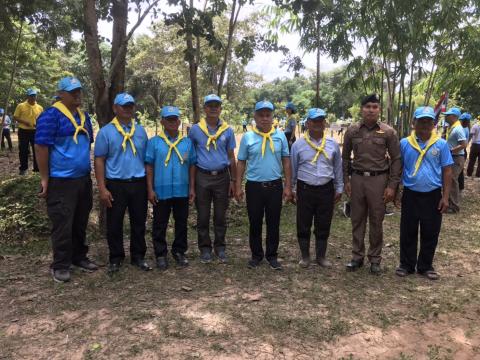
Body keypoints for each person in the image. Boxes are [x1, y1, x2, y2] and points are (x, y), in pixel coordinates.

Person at [35, 76, 97, 283]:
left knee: (80, 221)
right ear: (60, 94)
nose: (77, 94)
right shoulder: (50, 116)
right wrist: (45, 178)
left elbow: (87, 144)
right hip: (61, 181)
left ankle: (79, 256)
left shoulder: (84, 116)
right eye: (72, 92)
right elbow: (41, 147)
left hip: (82, 179)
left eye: (79, 91)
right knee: (62, 223)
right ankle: (61, 264)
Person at [342, 94, 401, 274]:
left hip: (379, 180)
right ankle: (357, 257)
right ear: (362, 109)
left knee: (377, 219)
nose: (371, 110)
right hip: (358, 179)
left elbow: (397, 159)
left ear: (379, 110)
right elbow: (345, 158)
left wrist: (392, 186)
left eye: (374, 107)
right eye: (367, 106)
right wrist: (346, 180)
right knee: (357, 219)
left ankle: (375, 259)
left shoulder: (388, 132)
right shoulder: (352, 131)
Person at [94, 93, 151, 273]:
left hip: (138, 183)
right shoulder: (106, 132)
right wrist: (102, 188)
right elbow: (99, 160)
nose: (128, 109)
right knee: (115, 223)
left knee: (139, 221)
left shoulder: (141, 131)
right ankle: (116, 258)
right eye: (124, 106)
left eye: (130, 106)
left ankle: (138, 256)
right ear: (115, 108)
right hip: (116, 184)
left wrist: (150, 186)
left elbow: (147, 160)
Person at [396, 106, 453, 280]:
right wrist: (396, 190)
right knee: (408, 230)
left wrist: (445, 196)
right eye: (421, 121)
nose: (425, 124)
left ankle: (425, 266)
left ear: (434, 123)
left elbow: (447, 171)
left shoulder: (441, 144)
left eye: (429, 121)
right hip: (411, 194)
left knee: (431, 231)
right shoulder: (405, 143)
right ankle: (406, 265)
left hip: (433, 195)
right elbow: (399, 168)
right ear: (414, 123)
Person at [236, 100, 292, 270]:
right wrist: (238, 185)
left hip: (275, 186)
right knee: (255, 222)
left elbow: (286, 161)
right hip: (254, 187)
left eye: (268, 115)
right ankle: (256, 255)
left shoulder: (280, 136)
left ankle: (272, 256)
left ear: (272, 117)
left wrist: (288, 185)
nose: (265, 119)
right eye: (261, 115)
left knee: (273, 222)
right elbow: (241, 162)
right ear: (255, 116)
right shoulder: (248, 137)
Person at [291, 108, 343, 268]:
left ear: (325, 123)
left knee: (323, 223)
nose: (318, 124)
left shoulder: (333, 145)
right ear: (308, 123)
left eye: (321, 121)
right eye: (314, 121)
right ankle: (305, 256)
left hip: (325, 189)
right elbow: (293, 168)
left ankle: (321, 256)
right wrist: (292, 188)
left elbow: (337, 167)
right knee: (303, 223)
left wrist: (339, 187)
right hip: (304, 189)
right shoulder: (298, 145)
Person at [146, 106, 196, 269]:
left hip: (182, 189)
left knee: (181, 222)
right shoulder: (154, 143)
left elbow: (191, 166)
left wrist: (192, 188)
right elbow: (150, 167)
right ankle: (160, 254)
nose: (172, 122)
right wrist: (150, 189)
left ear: (179, 121)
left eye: (175, 119)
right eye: (169, 119)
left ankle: (179, 251)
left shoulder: (187, 142)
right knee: (160, 223)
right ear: (162, 121)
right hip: (161, 190)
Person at [188, 94, 236, 263]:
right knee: (203, 215)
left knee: (220, 216)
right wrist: (191, 184)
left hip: (222, 177)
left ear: (220, 108)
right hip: (202, 177)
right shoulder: (195, 130)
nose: (214, 108)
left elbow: (231, 157)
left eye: (217, 105)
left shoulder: (228, 130)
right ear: (205, 108)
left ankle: (220, 247)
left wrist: (233, 181)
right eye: (210, 105)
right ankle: (205, 249)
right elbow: (191, 158)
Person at [442, 107, 467, 213]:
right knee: (449, 180)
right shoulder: (452, 127)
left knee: (452, 180)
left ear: (454, 117)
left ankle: (454, 206)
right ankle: (448, 203)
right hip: (452, 157)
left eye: (448, 115)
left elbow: (464, 144)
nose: (446, 117)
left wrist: (451, 151)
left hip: (456, 158)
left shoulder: (458, 129)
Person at [14, 88, 43, 174]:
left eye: (34, 95)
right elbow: (15, 117)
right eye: (31, 96)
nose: (33, 97)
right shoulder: (21, 106)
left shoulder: (40, 108)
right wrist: (25, 122)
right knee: (23, 150)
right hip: (23, 131)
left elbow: (42, 119)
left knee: (36, 150)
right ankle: (23, 169)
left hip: (35, 131)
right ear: (28, 96)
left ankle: (37, 169)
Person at [458, 112, 471, 191]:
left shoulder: (462, 128)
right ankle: (461, 186)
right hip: (463, 150)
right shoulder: (467, 128)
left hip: (461, 151)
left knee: (459, 170)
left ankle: (460, 186)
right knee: (460, 170)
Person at [467, 115, 480, 179]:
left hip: (475, 145)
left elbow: (471, 135)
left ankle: (469, 174)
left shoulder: (475, 126)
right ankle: (478, 176)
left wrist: (467, 142)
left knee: (472, 160)